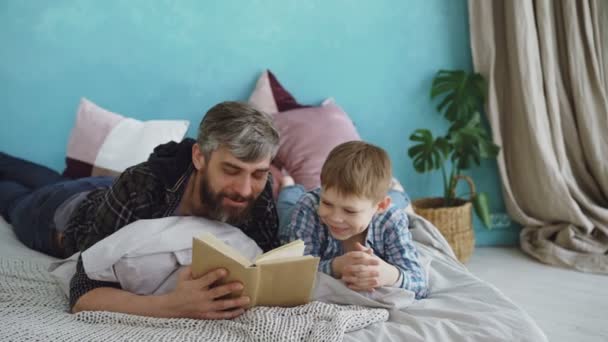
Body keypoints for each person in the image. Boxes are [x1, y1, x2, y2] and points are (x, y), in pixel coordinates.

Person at [0, 101, 281, 319]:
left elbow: (265, 265)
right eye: (231, 170)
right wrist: (171, 305)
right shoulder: (143, 187)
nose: (245, 189)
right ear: (199, 157)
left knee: (51, 178)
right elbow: (82, 293)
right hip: (58, 213)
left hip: (107, 188)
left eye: (257, 174)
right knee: (13, 195)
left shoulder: (258, 194)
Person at [277, 141, 428, 299]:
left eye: (350, 210)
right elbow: (296, 270)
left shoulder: (392, 220)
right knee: (286, 205)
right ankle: (288, 185)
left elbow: (420, 284)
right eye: (327, 203)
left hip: (383, 206)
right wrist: (335, 267)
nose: (335, 218)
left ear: (381, 206)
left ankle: (396, 193)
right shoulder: (309, 206)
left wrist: (391, 275)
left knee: (398, 199)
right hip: (293, 215)